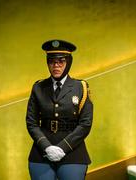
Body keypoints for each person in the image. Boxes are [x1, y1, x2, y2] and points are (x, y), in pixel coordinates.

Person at [26, 39, 93, 180]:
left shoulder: (80, 87)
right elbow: (31, 122)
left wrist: (63, 147)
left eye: (61, 61)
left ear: (68, 62)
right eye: (51, 61)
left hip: (73, 152)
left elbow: (85, 124)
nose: (56, 65)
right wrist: (46, 147)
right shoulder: (38, 87)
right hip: (41, 153)